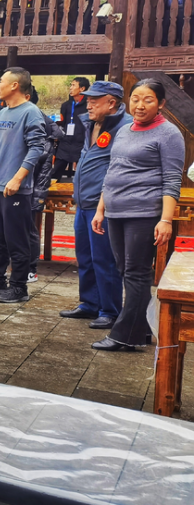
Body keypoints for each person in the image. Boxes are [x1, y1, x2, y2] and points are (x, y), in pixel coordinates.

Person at [91, 79, 185, 351]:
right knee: (125, 270)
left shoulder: (168, 134)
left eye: (148, 100)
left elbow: (171, 180)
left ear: (161, 104)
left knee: (136, 272)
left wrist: (165, 220)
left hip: (144, 213)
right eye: (135, 99)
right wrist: (101, 209)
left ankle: (124, 335)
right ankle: (142, 329)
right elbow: (113, 171)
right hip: (116, 211)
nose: (140, 105)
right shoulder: (124, 130)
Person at [60, 81, 132, 330]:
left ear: (111, 102)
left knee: (105, 259)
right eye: (87, 99)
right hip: (84, 202)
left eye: (94, 100)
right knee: (85, 257)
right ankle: (89, 303)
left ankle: (110, 311)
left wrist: (102, 203)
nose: (88, 103)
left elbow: (118, 170)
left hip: (105, 205)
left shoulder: (125, 127)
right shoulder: (90, 123)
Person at [0, 67, 47, 303]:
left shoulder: (31, 112)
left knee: (17, 238)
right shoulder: (2, 113)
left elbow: (37, 148)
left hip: (15, 189)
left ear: (15, 85)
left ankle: (19, 286)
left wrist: (18, 178)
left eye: (1, 81)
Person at [27, 116, 64, 283]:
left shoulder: (44, 143)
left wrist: (38, 199)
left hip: (31, 191)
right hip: (17, 190)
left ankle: (30, 268)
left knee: (29, 231)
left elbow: (43, 176)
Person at [52, 77, 89, 182]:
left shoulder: (89, 105)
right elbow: (62, 123)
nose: (70, 88)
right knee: (55, 172)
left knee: (82, 174)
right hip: (66, 142)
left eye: (73, 85)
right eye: (71, 85)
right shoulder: (66, 105)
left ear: (82, 89)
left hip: (81, 143)